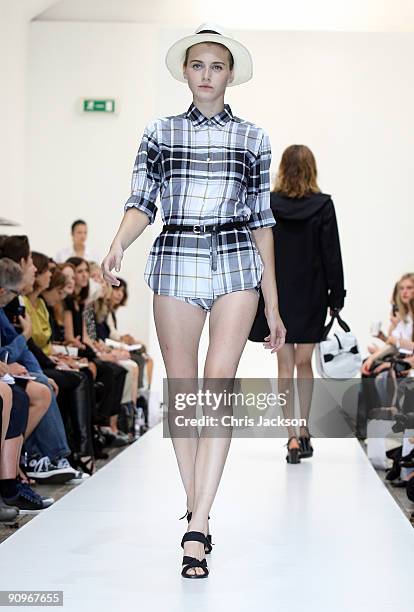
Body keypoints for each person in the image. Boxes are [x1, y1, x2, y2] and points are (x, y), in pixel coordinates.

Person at [102, 23, 286, 579]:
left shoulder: (253, 138)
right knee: (185, 396)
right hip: (176, 253)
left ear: (231, 76)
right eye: (198, 65)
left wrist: (274, 306)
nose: (207, 75)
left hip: (235, 259)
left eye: (217, 67)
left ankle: (197, 523)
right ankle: (198, 514)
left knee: (217, 389)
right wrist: (116, 244)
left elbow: (262, 222)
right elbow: (142, 200)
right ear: (186, 71)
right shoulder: (159, 132)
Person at [249, 145, 346, 463]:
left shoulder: (270, 203)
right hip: (311, 294)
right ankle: (304, 430)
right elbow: (331, 254)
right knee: (304, 364)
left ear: (283, 168)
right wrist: (337, 296)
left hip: (277, 292)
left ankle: (290, 435)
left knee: (283, 365)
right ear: (311, 169)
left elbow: (258, 247)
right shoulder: (322, 205)